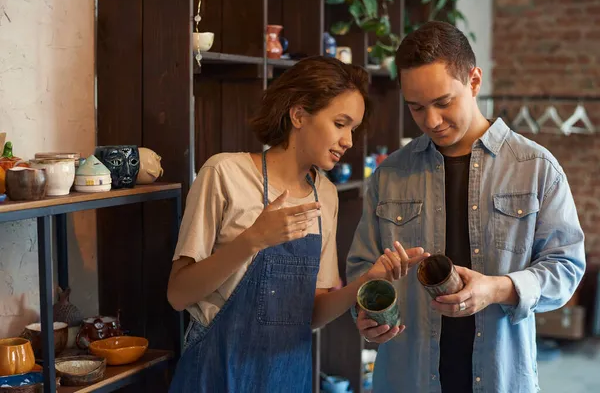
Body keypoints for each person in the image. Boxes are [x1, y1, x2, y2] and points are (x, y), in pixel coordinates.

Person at [346, 21, 586, 393]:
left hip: (500, 376)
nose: (431, 121)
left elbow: (566, 267)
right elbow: (362, 268)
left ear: (474, 81)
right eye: (416, 107)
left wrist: (498, 288)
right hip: (407, 378)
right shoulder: (390, 174)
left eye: (443, 103)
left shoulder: (536, 168)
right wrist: (364, 313)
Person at [166, 56, 429, 393]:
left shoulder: (326, 194)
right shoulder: (224, 174)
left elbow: (312, 314)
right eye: (340, 123)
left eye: (353, 128)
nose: (349, 140)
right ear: (299, 114)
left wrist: (367, 280)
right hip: (217, 374)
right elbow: (178, 294)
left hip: (288, 377)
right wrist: (253, 240)